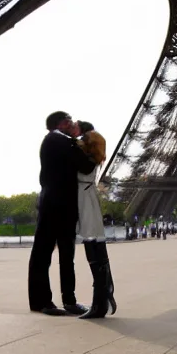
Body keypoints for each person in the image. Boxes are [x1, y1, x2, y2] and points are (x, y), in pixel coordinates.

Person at [28, 111, 96, 316]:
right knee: (58, 255)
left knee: (49, 254)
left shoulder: (56, 141)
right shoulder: (60, 140)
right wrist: (92, 142)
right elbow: (85, 165)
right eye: (68, 120)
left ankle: (49, 301)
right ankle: (58, 301)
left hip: (56, 203)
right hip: (57, 205)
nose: (72, 123)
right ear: (59, 124)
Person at [75, 120, 117, 319]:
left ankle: (99, 303)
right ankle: (103, 295)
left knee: (92, 249)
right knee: (98, 251)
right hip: (89, 199)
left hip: (84, 202)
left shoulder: (83, 157)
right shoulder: (93, 157)